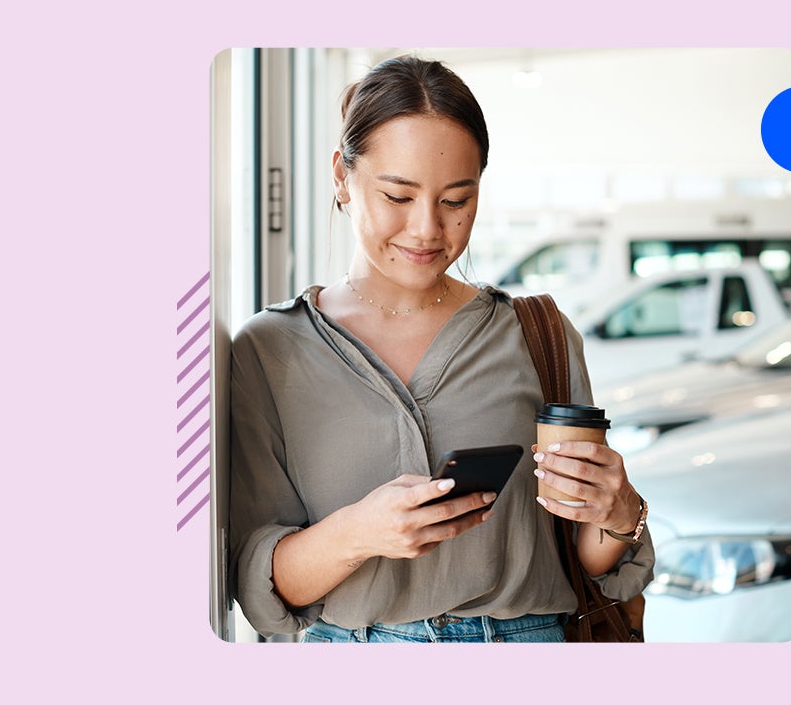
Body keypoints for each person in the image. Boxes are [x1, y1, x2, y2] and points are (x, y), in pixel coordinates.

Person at [229, 55, 653, 643]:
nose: (427, 229)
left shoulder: (538, 334)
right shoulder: (268, 350)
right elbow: (263, 586)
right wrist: (359, 533)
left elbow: (589, 560)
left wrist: (617, 511)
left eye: (456, 200)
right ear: (341, 179)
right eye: (398, 197)